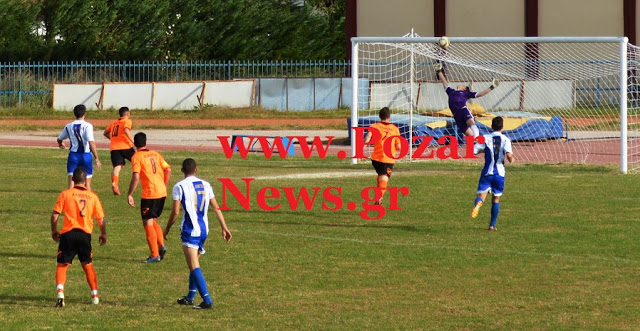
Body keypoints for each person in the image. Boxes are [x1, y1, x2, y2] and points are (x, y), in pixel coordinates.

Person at [163, 158, 232, 309]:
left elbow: (175, 212)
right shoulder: (206, 185)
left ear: (182, 171)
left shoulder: (179, 186)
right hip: (204, 230)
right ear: (196, 170)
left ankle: (207, 301)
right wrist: (224, 227)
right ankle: (190, 297)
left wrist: (167, 228)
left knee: (194, 266)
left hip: (190, 230)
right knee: (195, 264)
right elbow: (216, 207)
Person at [50, 166, 107, 307]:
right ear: (85, 180)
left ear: (73, 179)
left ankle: (60, 293)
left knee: (62, 265)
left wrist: (54, 230)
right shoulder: (93, 196)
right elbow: (101, 218)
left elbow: (55, 214)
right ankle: (95, 296)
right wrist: (103, 233)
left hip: (68, 234)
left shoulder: (66, 194)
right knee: (88, 265)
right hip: (84, 235)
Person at [127, 132, 171, 263]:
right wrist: (163, 184)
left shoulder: (136, 157)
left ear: (134, 144)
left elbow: (136, 177)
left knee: (147, 223)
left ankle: (154, 254)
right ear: (146, 142)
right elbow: (168, 169)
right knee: (153, 220)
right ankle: (161, 245)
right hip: (161, 192)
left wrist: (130, 194)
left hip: (150, 193)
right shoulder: (155, 154)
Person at [471, 116, 515, 231]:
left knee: (481, 196)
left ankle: (478, 204)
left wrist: (483, 150)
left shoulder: (485, 138)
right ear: (502, 127)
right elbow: (509, 156)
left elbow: (473, 151)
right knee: (496, 199)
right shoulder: (506, 139)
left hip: (487, 172)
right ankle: (492, 225)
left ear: (491, 126)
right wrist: (511, 159)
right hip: (499, 174)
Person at [435, 63, 498, 139]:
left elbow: (480, 94)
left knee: (471, 124)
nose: (460, 84)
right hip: (456, 115)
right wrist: (439, 71)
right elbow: (444, 82)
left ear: (464, 89)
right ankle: (481, 142)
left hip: (463, 110)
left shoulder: (465, 93)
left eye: (463, 85)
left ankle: (479, 140)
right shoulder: (451, 92)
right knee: (471, 136)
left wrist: (492, 87)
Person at [57, 104, 102, 191]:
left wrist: (60, 144)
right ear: (85, 114)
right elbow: (91, 142)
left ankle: (69, 201)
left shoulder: (68, 126)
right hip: (86, 155)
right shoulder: (88, 126)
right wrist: (97, 158)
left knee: (71, 183)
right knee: (87, 183)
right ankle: (89, 201)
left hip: (73, 155)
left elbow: (59, 138)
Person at [363, 107, 402, 205]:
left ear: (380, 116)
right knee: (384, 178)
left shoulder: (374, 126)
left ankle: (379, 197)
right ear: (389, 116)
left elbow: (368, 136)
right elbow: (399, 146)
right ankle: (379, 196)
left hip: (376, 159)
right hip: (387, 158)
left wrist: (363, 147)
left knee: (380, 175)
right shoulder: (394, 129)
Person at [103, 107, 135, 195]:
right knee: (138, 161)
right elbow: (126, 130)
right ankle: (147, 178)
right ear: (128, 114)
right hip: (125, 146)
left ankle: (114, 184)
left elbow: (105, 133)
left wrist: (113, 139)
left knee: (117, 167)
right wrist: (134, 142)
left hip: (114, 148)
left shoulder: (114, 123)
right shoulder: (127, 121)